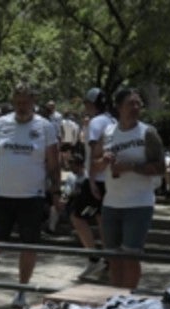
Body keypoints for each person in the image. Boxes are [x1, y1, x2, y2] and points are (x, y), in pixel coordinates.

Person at [0, 83, 61, 309]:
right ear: (12, 102)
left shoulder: (46, 127)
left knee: (28, 247)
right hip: (2, 196)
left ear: (33, 102)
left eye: (25, 102)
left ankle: (21, 292)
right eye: (18, 102)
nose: (21, 106)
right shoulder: (0, 124)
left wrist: (57, 192)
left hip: (33, 197)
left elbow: (53, 164)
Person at [96, 87, 165, 290]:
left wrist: (131, 167)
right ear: (118, 107)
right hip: (111, 204)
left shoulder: (147, 133)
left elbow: (161, 168)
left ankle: (128, 299)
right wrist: (103, 161)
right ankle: (115, 299)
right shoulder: (108, 132)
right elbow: (94, 165)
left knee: (130, 256)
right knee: (113, 257)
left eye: (138, 104)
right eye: (130, 104)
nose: (135, 108)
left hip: (138, 204)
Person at [69, 87, 116, 281]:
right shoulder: (113, 121)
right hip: (111, 180)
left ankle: (94, 257)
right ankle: (109, 261)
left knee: (77, 217)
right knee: (101, 219)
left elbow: (95, 150)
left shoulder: (96, 122)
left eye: (86, 103)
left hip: (97, 179)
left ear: (91, 104)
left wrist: (92, 180)